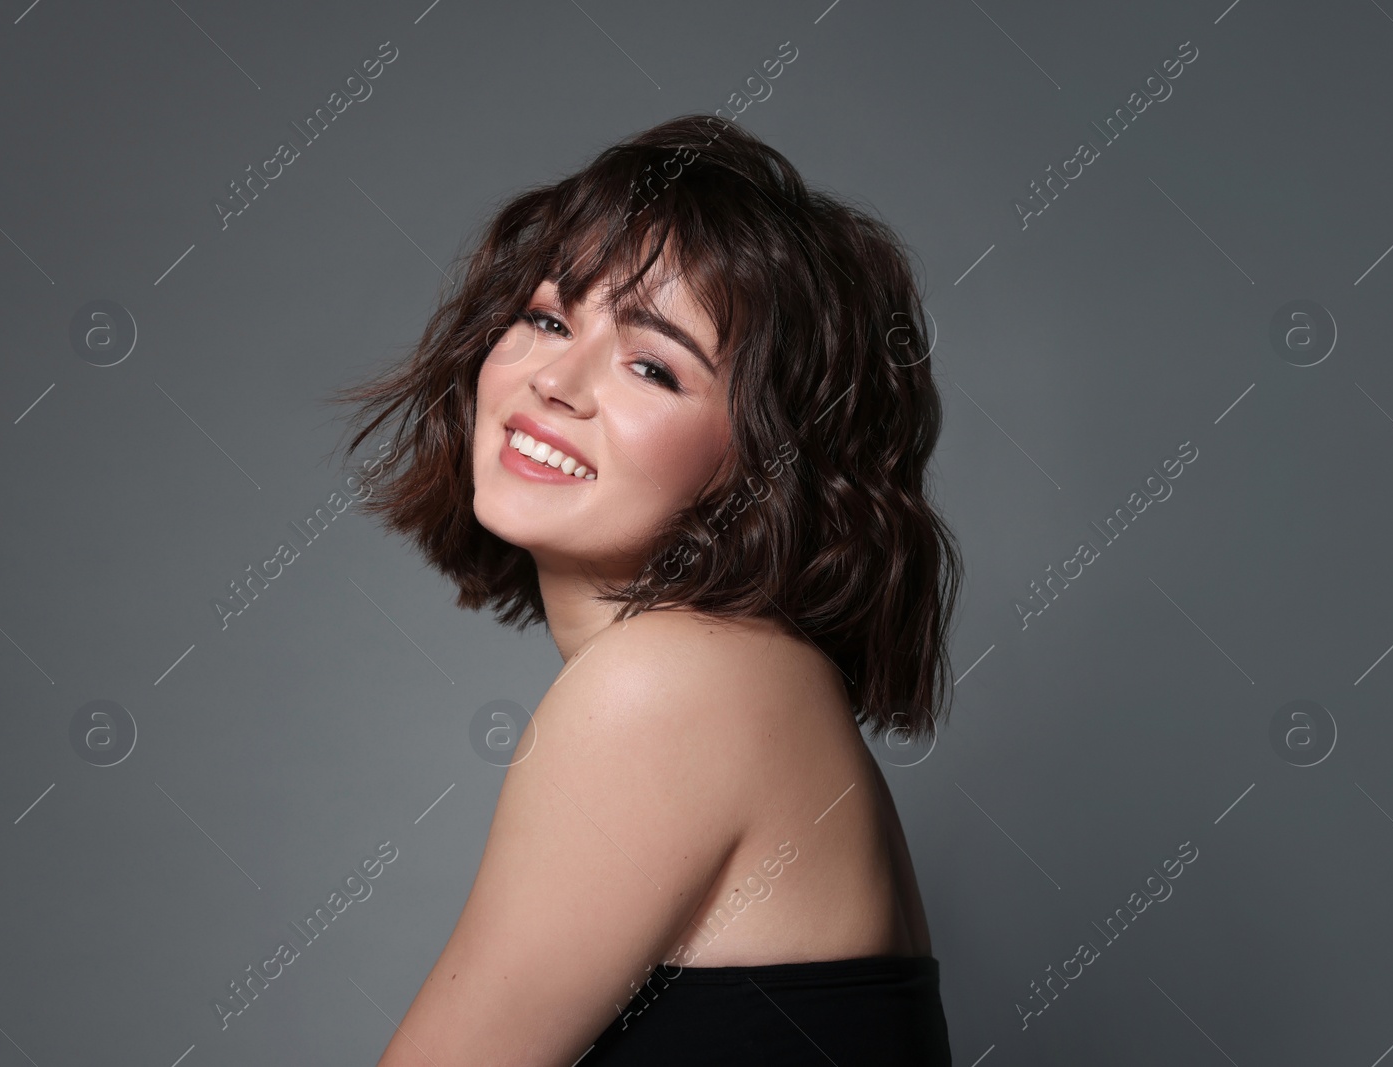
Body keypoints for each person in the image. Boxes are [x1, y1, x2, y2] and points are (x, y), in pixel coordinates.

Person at [337, 113, 962, 1066]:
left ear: (765, 461)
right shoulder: (757, 677)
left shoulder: (673, 685)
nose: (555, 380)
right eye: (548, 317)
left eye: (652, 365)